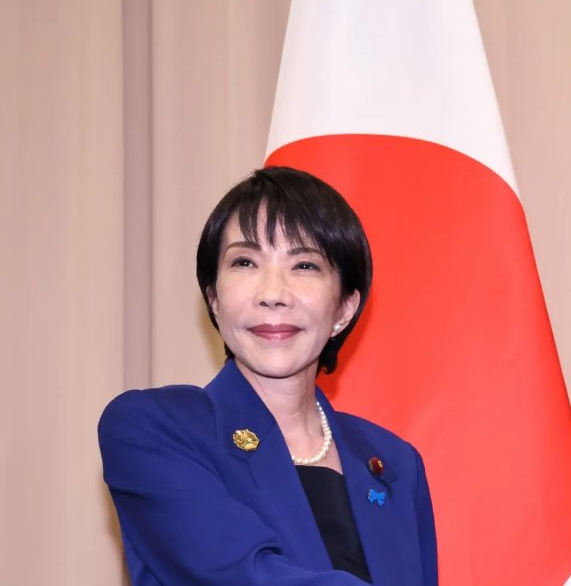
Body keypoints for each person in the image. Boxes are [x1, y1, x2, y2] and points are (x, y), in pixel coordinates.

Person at [99, 167, 437, 585]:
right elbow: (245, 576)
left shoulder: (395, 463)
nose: (273, 294)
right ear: (214, 298)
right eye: (245, 262)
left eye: (305, 265)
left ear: (344, 309)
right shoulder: (153, 427)